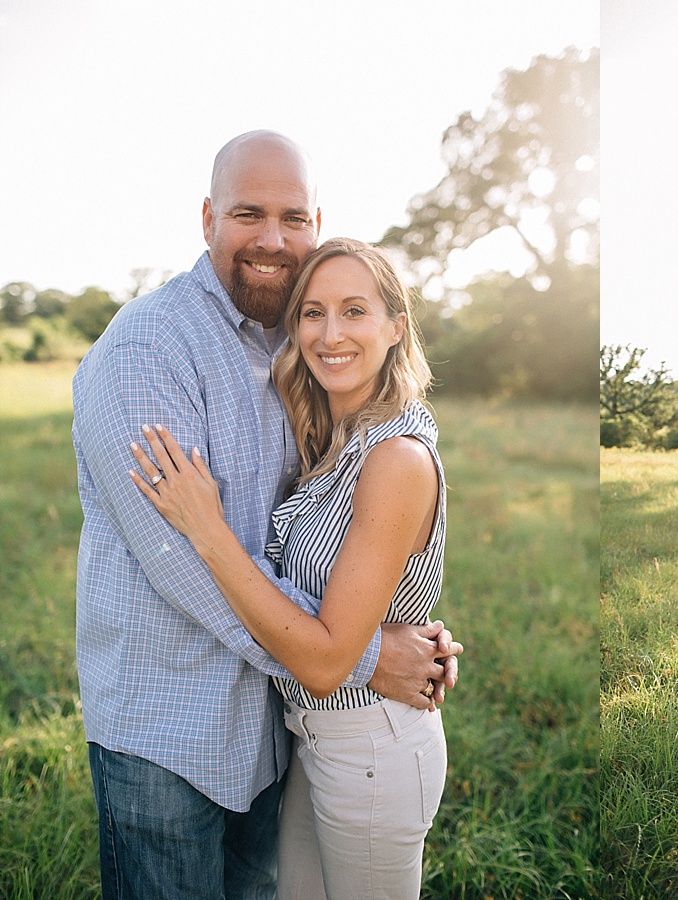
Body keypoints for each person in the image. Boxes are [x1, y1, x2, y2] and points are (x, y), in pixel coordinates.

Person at [73, 131, 461, 900]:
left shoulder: (296, 352)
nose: (273, 240)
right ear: (209, 217)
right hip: (170, 737)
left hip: (274, 735)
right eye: (249, 214)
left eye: (293, 218)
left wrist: (356, 637)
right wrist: (361, 655)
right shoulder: (149, 348)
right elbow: (182, 562)